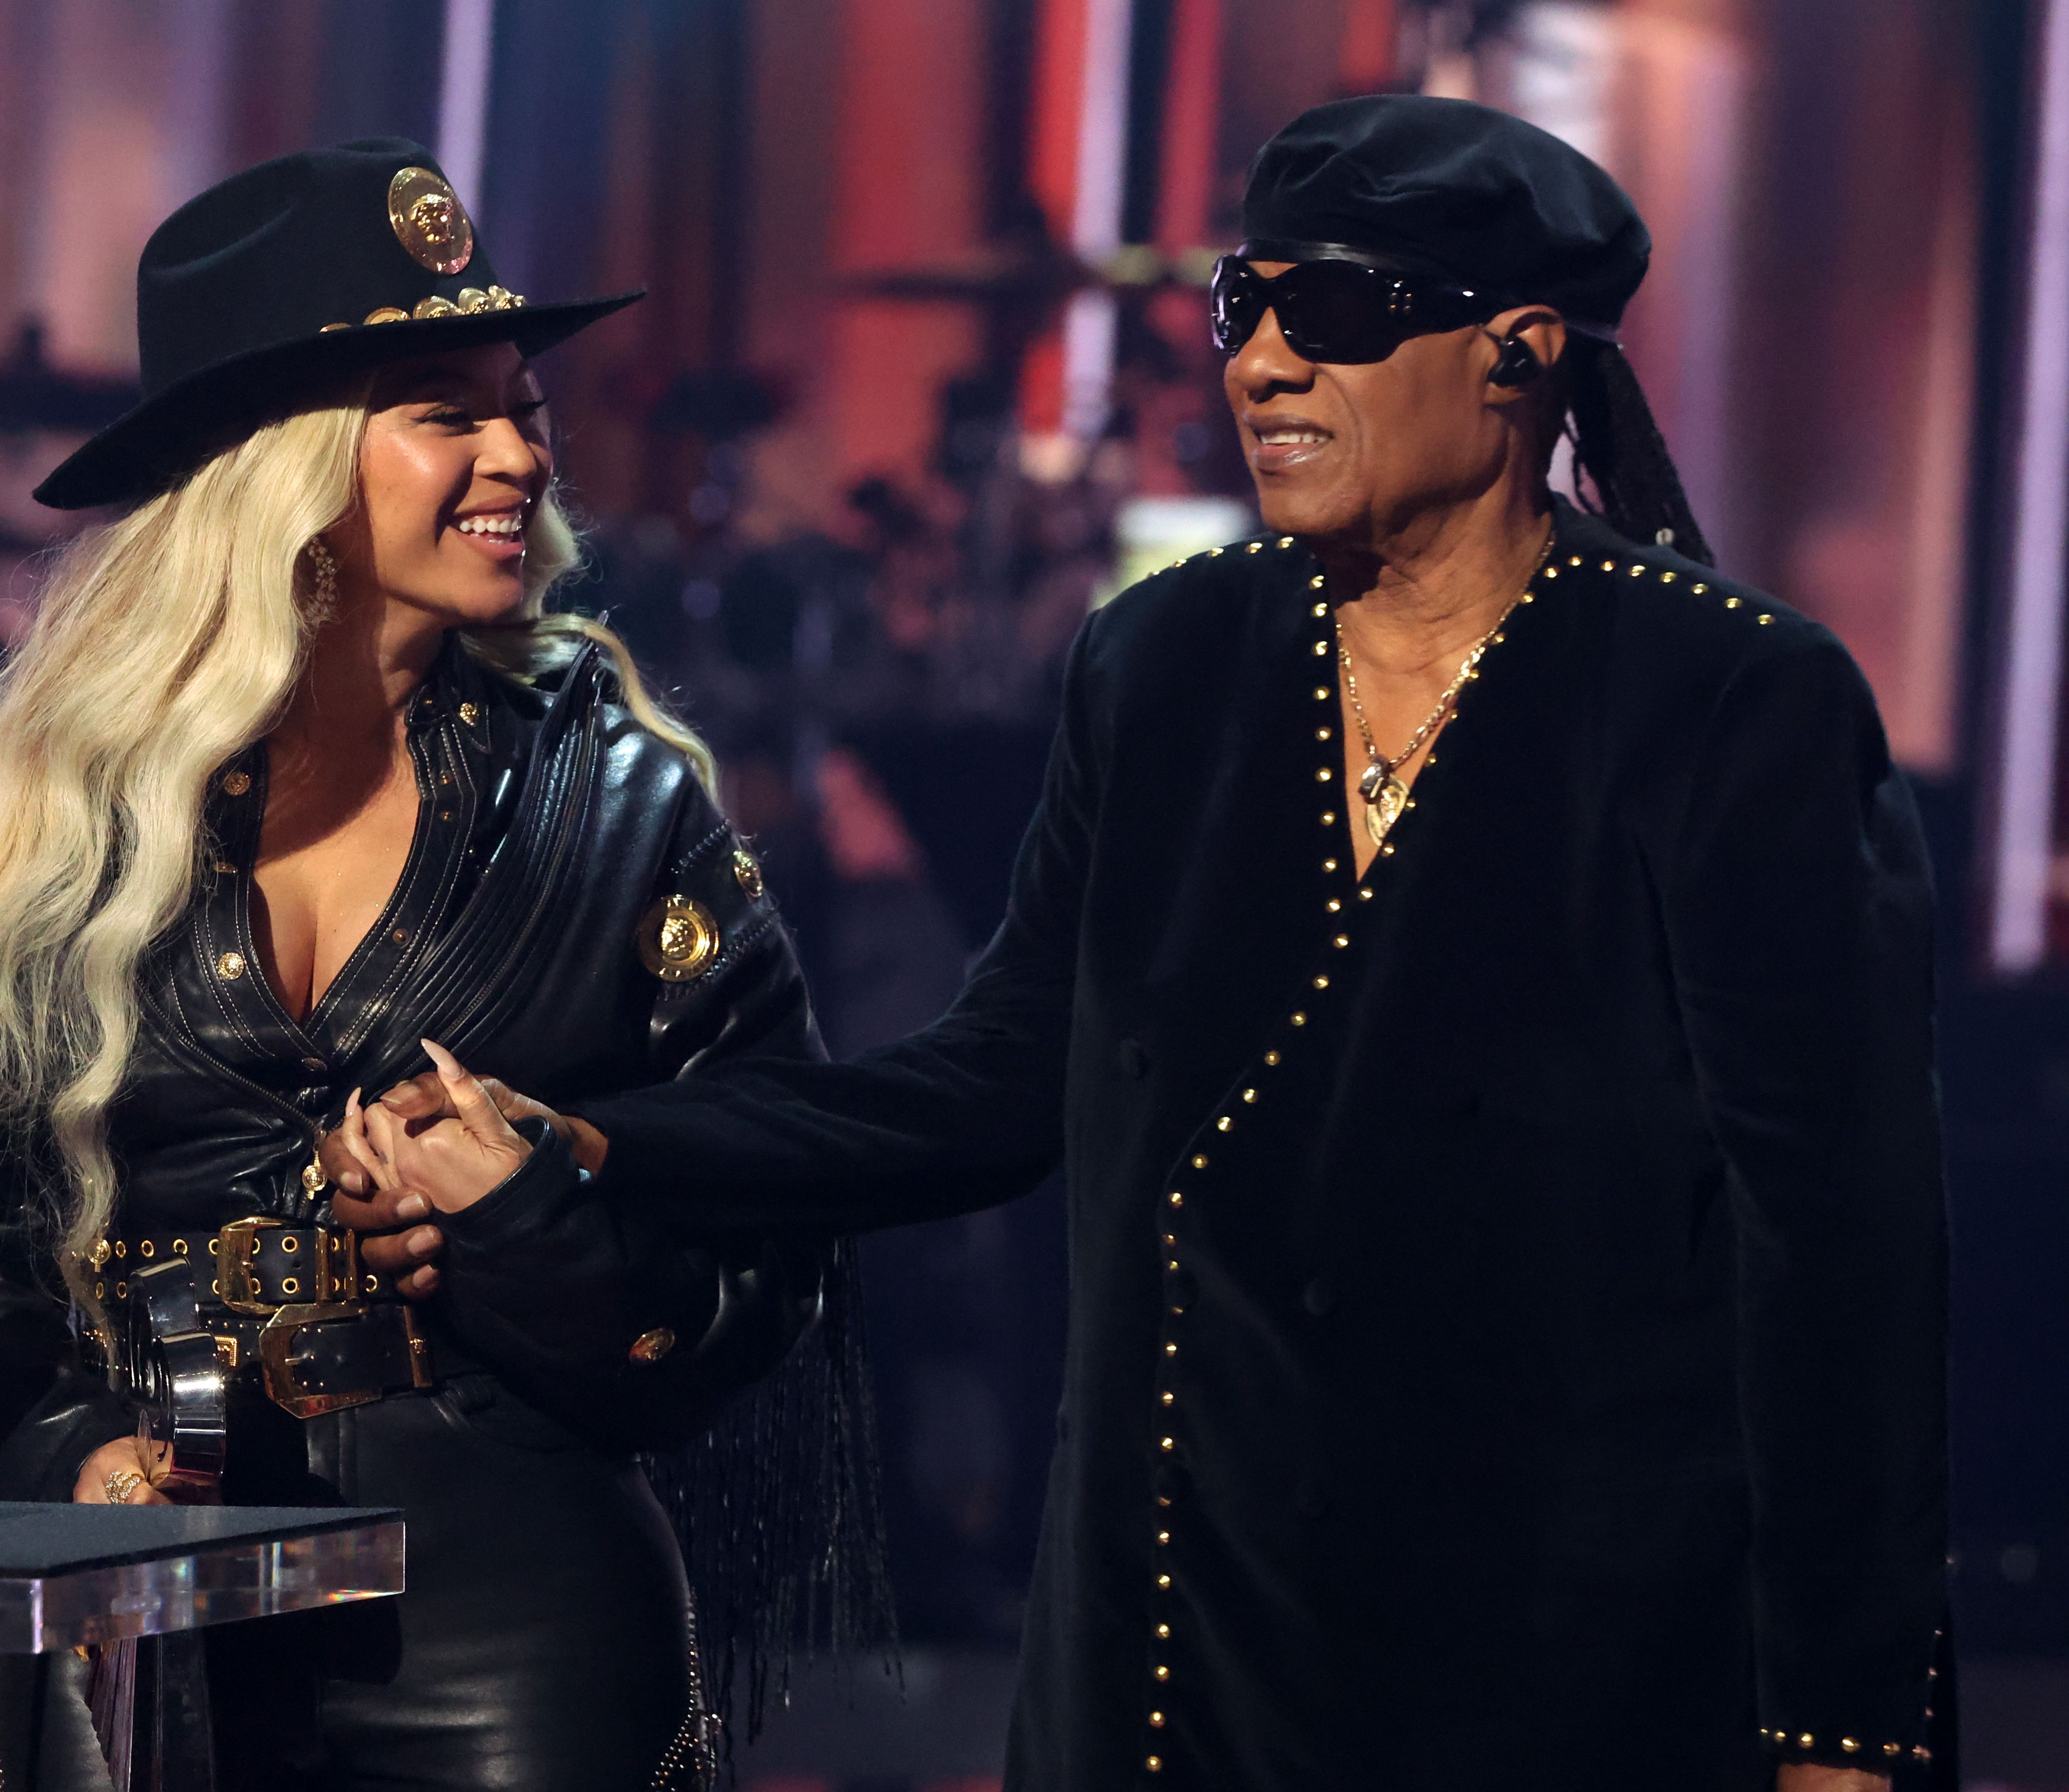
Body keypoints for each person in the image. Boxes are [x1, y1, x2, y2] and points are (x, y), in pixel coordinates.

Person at [351, 97, 1951, 1791]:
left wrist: (1841, 1728)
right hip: (1184, 1661)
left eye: (1330, 312)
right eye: (1242, 308)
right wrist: (602, 1141)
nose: (1258, 364)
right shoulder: (1167, 661)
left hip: (1568, 1674)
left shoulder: (1729, 701)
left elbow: (1841, 1258)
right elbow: (989, 1084)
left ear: (1521, 353)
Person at [0, 140, 881, 1792]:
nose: (520, 456)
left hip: (510, 1632)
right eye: (444, 411)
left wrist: (531, 1221)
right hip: (128, 1616)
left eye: (524, 408)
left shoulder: (624, 809)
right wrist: (84, 1460)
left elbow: (775, 1245)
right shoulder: (36, 826)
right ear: (278, 467)